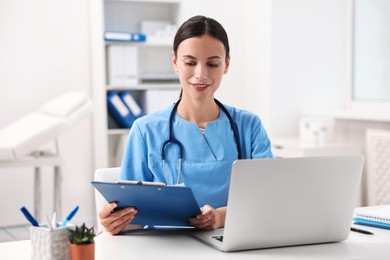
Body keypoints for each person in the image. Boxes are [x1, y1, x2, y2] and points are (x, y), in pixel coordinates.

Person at [99, 15, 273, 235]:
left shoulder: (249, 126)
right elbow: (135, 217)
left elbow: (267, 200)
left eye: (212, 63)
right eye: (190, 63)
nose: (200, 74)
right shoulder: (145, 130)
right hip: (166, 247)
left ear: (226, 64)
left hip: (232, 241)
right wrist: (116, 222)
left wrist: (220, 217)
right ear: (174, 62)